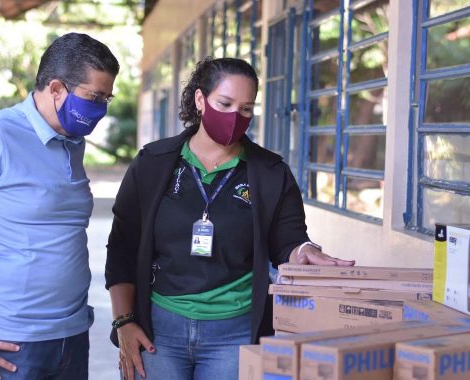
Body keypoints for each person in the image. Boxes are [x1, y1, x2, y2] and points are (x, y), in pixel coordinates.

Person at [105, 57, 355, 380]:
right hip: (159, 332)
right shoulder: (153, 164)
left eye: (247, 109)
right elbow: (122, 247)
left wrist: (303, 250)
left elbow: (289, 238)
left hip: (233, 337)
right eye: (225, 103)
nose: (236, 117)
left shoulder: (270, 173)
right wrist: (124, 322)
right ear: (200, 99)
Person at [0, 32, 119, 380]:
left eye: (106, 98)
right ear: (55, 88)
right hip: (5, 345)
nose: (100, 109)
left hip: (70, 337)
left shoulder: (73, 142)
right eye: (94, 97)